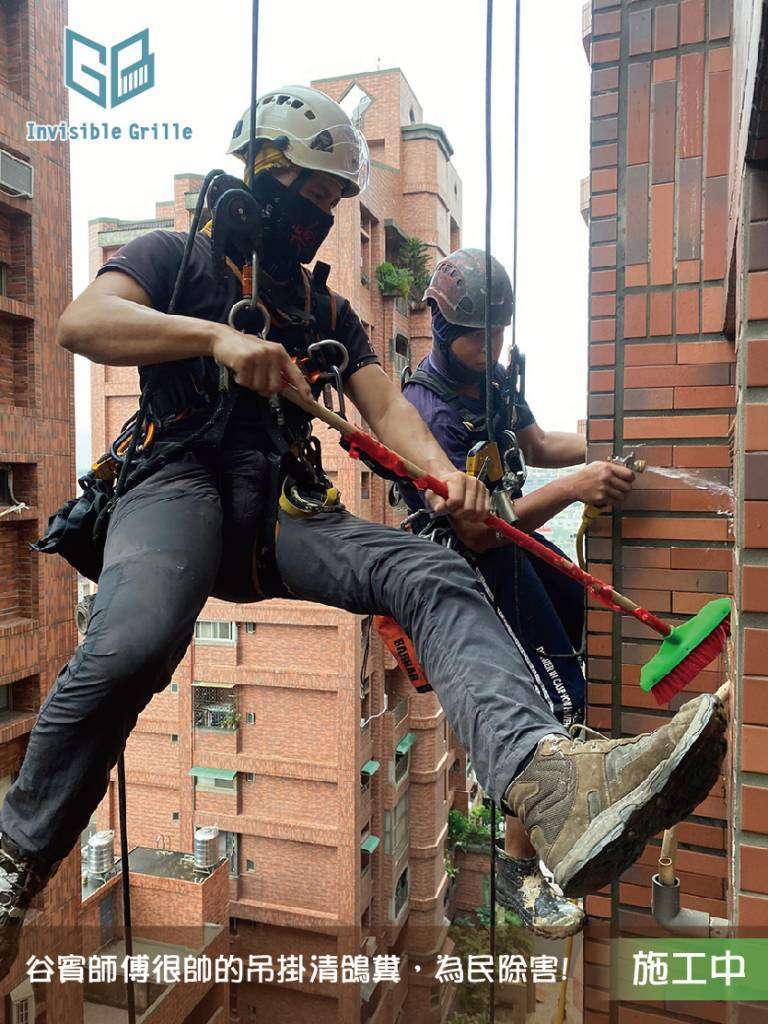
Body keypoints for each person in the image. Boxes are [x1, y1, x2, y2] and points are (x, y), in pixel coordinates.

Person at [0, 86, 726, 977]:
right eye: (309, 196)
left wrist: (448, 476)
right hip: (174, 482)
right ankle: (16, 856)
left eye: (333, 204)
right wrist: (215, 342)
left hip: (281, 509)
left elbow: (389, 411)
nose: (320, 218)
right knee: (135, 640)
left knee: (430, 573)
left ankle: (548, 782)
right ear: (261, 175)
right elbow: (83, 322)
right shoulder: (174, 259)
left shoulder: (323, 312)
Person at [399, 248, 637, 936]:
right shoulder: (427, 411)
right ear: (442, 328)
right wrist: (576, 486)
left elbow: (531, 445)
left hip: (515, 545)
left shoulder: (494, 379)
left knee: (576, 638)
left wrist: (604, 441)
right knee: (548, 701)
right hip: (467, 564)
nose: (492, 345)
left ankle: (575, 799)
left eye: (500, 331)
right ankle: (522, 872)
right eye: (480, 333)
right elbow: (478, 533)